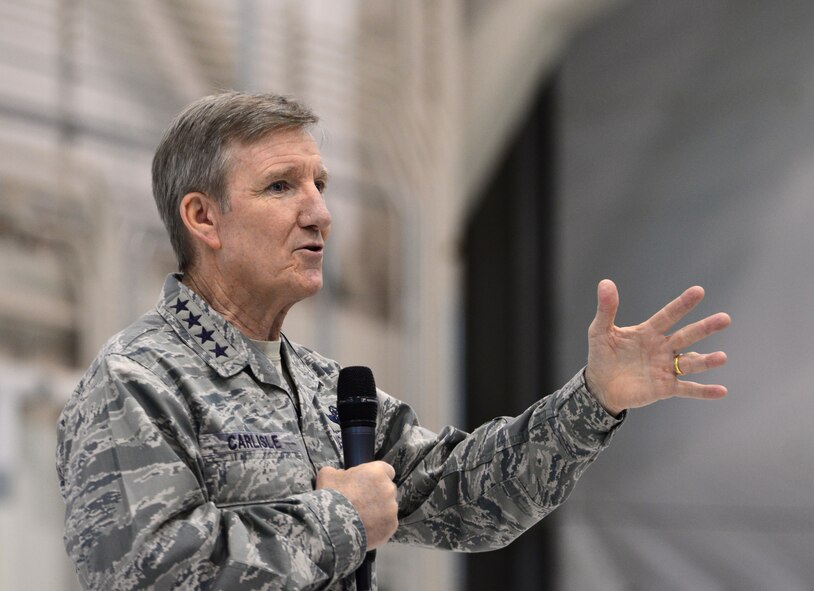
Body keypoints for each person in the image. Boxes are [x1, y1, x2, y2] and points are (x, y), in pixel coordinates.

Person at [56, 92, 731, 590]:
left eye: (320, 184)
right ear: (204, 217)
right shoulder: (138, 381)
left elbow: (470, 498)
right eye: (281, 186)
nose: (319, 212)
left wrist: (593, 400)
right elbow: (145, 573)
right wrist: (339, 518)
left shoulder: (325, 389)